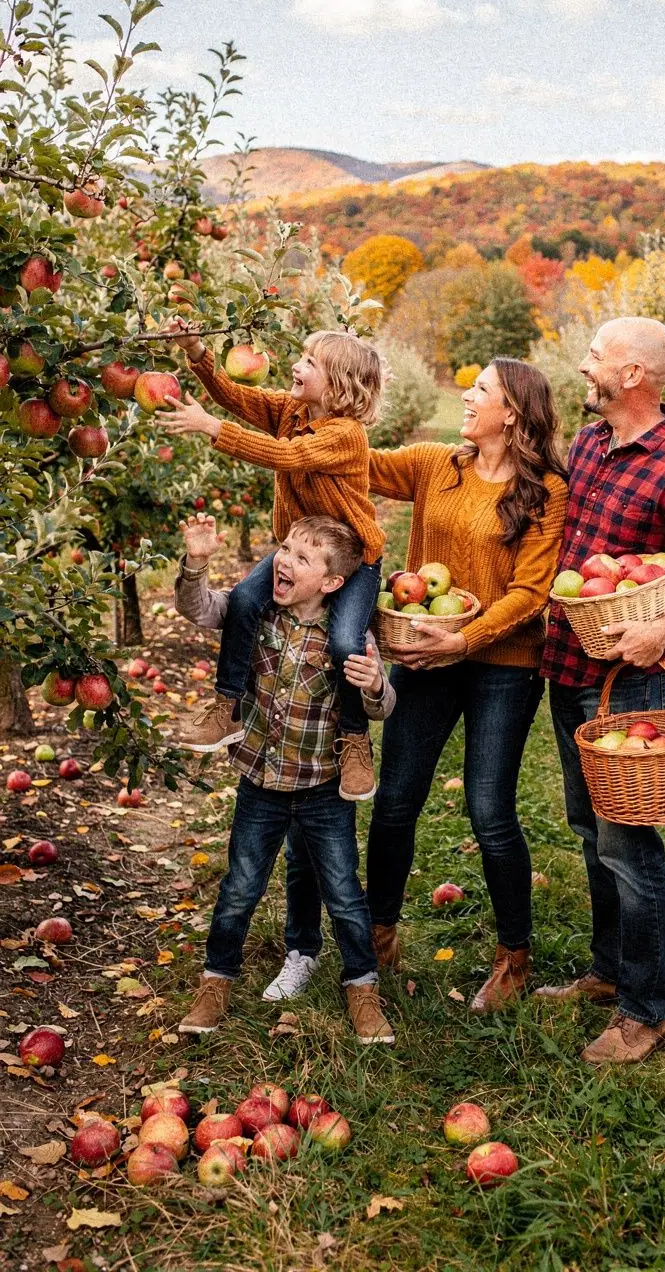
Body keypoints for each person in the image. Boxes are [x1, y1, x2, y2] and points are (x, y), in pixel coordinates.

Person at [280, 360, 568, 1013]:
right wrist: (312, 409)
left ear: (514, 413)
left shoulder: (546, 490)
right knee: (396, 801)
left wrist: (464, 640)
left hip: (505, 663)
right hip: (424, 653)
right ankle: (378, 938)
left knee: (490, 810)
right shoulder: (438, 465)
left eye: (481, 391)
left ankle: (513, 957)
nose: (466, 397)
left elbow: (530, 592)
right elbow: (355, 464)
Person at [537, 316, 665, 1066]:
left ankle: (644, 1011)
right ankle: (607, 969)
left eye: (595, 355)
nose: (583, 364)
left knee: (628, 843)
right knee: (591, 831)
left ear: (631, 375)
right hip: (570, 665)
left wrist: (663, 631)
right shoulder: (590, 444)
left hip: (632, 682)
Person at [173, 511, 396, 1046]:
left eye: (302, 557)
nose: (284, 560)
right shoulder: (255, 615)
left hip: (323, 788)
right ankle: (216, 981)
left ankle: (362, 988)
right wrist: (196, 562)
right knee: (239, 889)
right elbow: (200, 610)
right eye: (285, 548)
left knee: (343, 892)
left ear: (332, 583)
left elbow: (384, 705)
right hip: (260, 783)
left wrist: (374, 686)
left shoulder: (350, 637)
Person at [156, 322, 386, 802]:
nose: (295, 367)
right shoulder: (291, 409)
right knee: (242, 601)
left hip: (354, 557)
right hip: (300, 548)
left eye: (309, 363)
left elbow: (287, 456)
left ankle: (355, 739)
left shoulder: (346, 435)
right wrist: (197, 352)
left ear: (340, 386)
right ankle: (227, 706)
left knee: (345, 643)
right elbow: (233, 395)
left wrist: (213, 431)